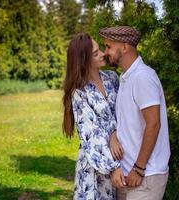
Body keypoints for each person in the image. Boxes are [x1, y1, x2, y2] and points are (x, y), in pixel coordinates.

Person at [99, 26, 171, 200]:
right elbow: (128, 122)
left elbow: (153, 124)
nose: (105, 52)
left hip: (145, 175)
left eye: (109, 47)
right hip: (127, 175)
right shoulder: (126, 78)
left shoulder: (142, 77)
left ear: (125, 47)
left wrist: (139, 168)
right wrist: (114, 135)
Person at [62, 32, 124, 199]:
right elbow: (92, 135)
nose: (103, 54)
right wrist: (114, 167)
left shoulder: (112, 78)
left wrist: (114, 134)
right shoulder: (79, 93)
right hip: (96, 165)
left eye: (100, 50)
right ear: (84, 61)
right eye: (96, 53)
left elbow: (125, 115)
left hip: (121, 157)